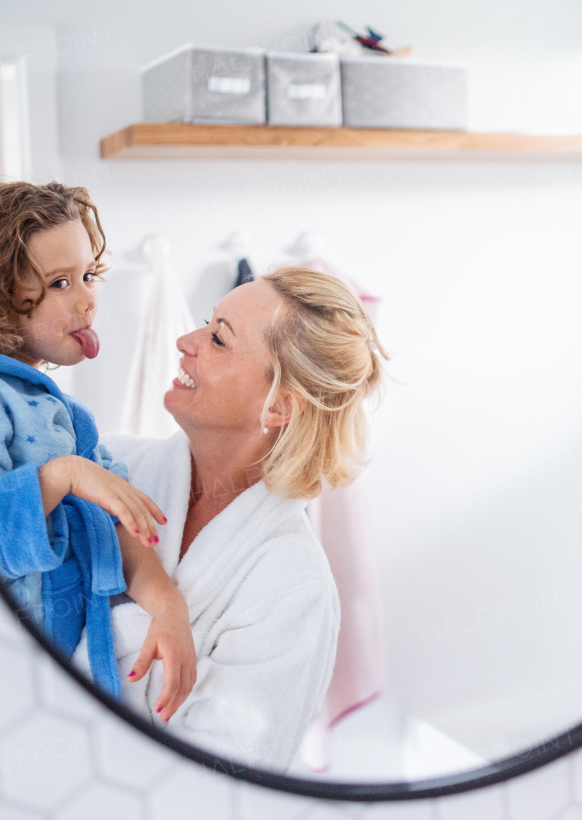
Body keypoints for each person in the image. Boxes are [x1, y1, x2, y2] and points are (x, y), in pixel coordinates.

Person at [78, 265, 388, 771]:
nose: (184, 340)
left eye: (218, 339)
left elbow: (218, 784)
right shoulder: (109, 464)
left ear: (278, 406)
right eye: (207, 322)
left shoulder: (293, 589)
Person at [0, 181, 196, 720]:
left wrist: (168, 605)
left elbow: (120, 519)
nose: (87, 298)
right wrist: (63, 476)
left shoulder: (62, 414)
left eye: (87, 276)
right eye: (60, 283)